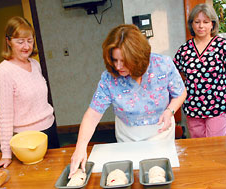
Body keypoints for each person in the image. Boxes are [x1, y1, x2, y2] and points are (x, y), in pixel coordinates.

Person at [69, 24, 186, 177]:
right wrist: (80, 147)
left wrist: (169, 111)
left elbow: (180, 92)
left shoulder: (162, 65)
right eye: (114, 60)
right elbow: (92, 114)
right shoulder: (109, 78)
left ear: (138, 57)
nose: (118, 66)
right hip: (127, 136)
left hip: (160, 133)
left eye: (124, 61)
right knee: (132, 178)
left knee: (159, 178)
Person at [0, 16, 60, 169]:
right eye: (20, 41)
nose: (26, 46)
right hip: (26, 140)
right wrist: (6, 154)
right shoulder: (4, 72)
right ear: (8, 41)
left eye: (29, 40)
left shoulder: (35, 64)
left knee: (57, 175)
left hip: (49, 131)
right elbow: (4, 115)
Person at [173, 4, 226, 138]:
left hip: (218, 107)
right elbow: (176, 76)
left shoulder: (223, 46)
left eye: (206, 22)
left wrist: (224, 91)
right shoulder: (184, 50)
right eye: (197, 22)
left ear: (212, 24)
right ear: (192, 24)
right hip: (193, 107)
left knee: (214, 146)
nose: (201, 26)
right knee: (198, 148)